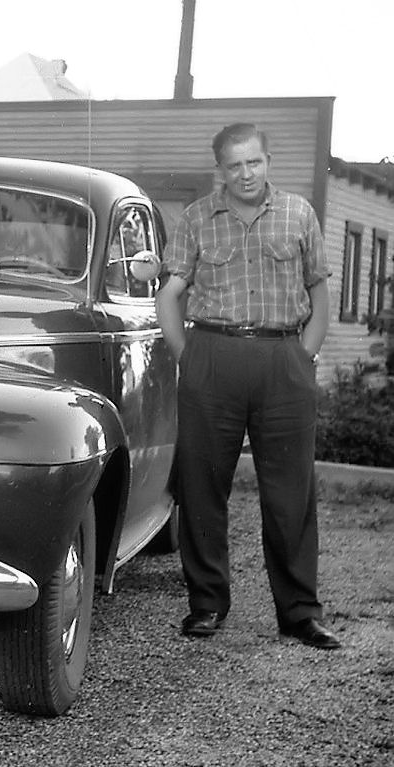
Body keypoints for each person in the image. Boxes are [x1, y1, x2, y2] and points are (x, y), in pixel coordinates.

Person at [155, 122, 340, 650]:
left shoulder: (299, 214)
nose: (245, 174)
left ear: (267, 161)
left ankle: (300, 611)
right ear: (221, 171)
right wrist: (189, 356)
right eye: (234, 166)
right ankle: (207, 604)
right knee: (202, 485)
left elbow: (319, 292)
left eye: (253, 162)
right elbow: (170, 295)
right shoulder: (196, 219)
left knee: (290, 492)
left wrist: (302, 355)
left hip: (284, 358)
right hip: (213, 356)